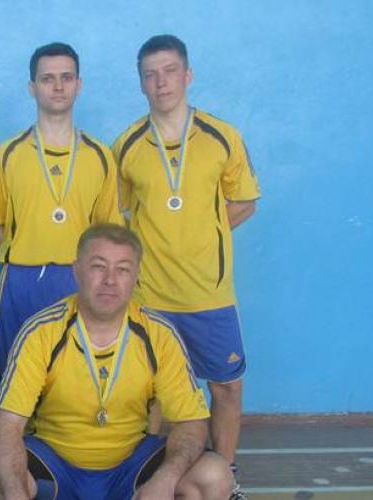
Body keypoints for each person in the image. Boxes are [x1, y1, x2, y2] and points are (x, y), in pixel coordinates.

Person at [0, 224, 233, 500]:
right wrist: (15, 494)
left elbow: (191, 423)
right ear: (77, 271)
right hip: (55, 463)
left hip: (131, 467)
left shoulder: (160, 335)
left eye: (123, 269)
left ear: (136, 277)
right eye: (99, 267)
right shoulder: (41, 332)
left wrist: (165, 481)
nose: (110, 280)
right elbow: (8, 424)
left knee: (213, 475)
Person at [111, 35, 261, 498]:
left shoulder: (222, 136)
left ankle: (227, 477)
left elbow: (244, 201)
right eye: (151, 74)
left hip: (208, 294)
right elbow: (116, 215)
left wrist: (201, 234)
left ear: (188, 75)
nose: (162, 82)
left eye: (170, 71)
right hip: (150, 295)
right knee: (152, 395)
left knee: (226, 388)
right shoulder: (127, 145)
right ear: (141, 83)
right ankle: (145, 479)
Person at [0, 42, 122, 382]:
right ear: (32, 87)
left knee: (76, 376)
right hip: (21, 280)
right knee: (16, 375)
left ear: (79, 84)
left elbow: (109, 233)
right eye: (47, 79)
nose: (58, 86)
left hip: (78, 279)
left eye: (66, 77)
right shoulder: (8, 154)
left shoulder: (100, 156)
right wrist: (31, 252)